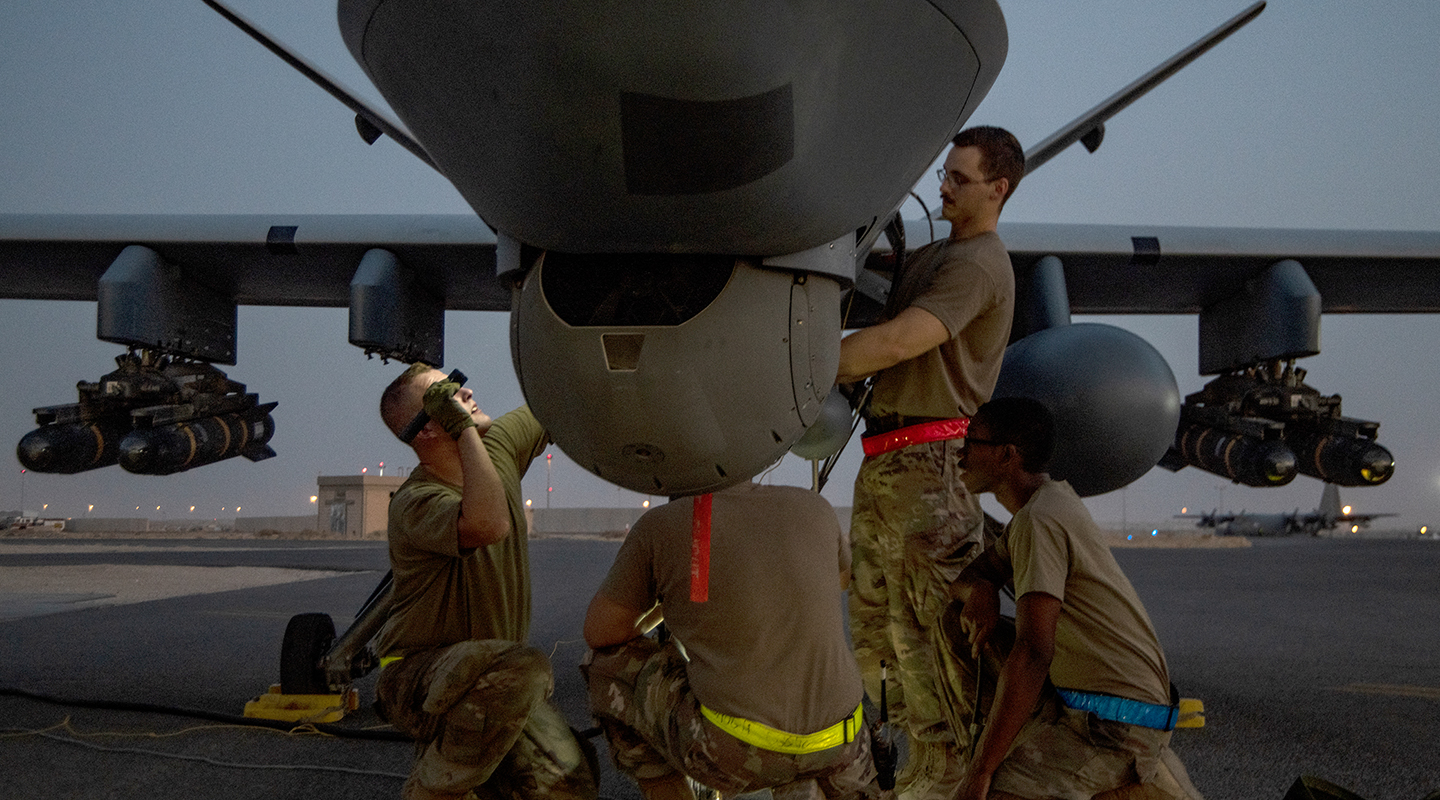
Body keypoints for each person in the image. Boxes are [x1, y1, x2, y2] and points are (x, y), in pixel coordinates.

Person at [834, 125, 1024, 800]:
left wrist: (795, 366)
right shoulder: (940, 256)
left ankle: (943, 782)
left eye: (959, 179)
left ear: (997, 189)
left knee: (934, 650)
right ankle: (910, 774)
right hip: (890, 464)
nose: (943, 186)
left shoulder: (977, 265)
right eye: (943, 174)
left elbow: (899, 342)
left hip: (931, 469)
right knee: (881, 637)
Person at [947, 397, 1203, 800]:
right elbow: (972, 576)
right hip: (1098, 706)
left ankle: (1127, 778)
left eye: (971, 442)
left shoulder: (1039, 520)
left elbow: (1034, 652)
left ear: (1005, 455)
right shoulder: (1043, 507)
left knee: (996, 791)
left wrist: (981, 770)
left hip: (1115, 724)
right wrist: (981, 590)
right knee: (952, 619)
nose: (961, 455)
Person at [373, 363, 597, 800]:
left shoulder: (499, 448)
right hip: (415, 674)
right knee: (524, 666)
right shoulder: (417, 502)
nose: (468, 394)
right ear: (427, 431)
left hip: (491, 676)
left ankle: (471, 774)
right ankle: (433, 790)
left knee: (571, 782)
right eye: (448, 397)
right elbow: (488, 524)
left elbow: (556, 399)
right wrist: (466, 433)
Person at [581, 482, 879, 800]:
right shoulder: (814, 505)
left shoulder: (663, 524)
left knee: (607, 664)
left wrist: (669, 604)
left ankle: (667, 791)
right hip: (843, 743)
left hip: (735, 755)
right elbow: (841, 579)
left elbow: (602, 632)